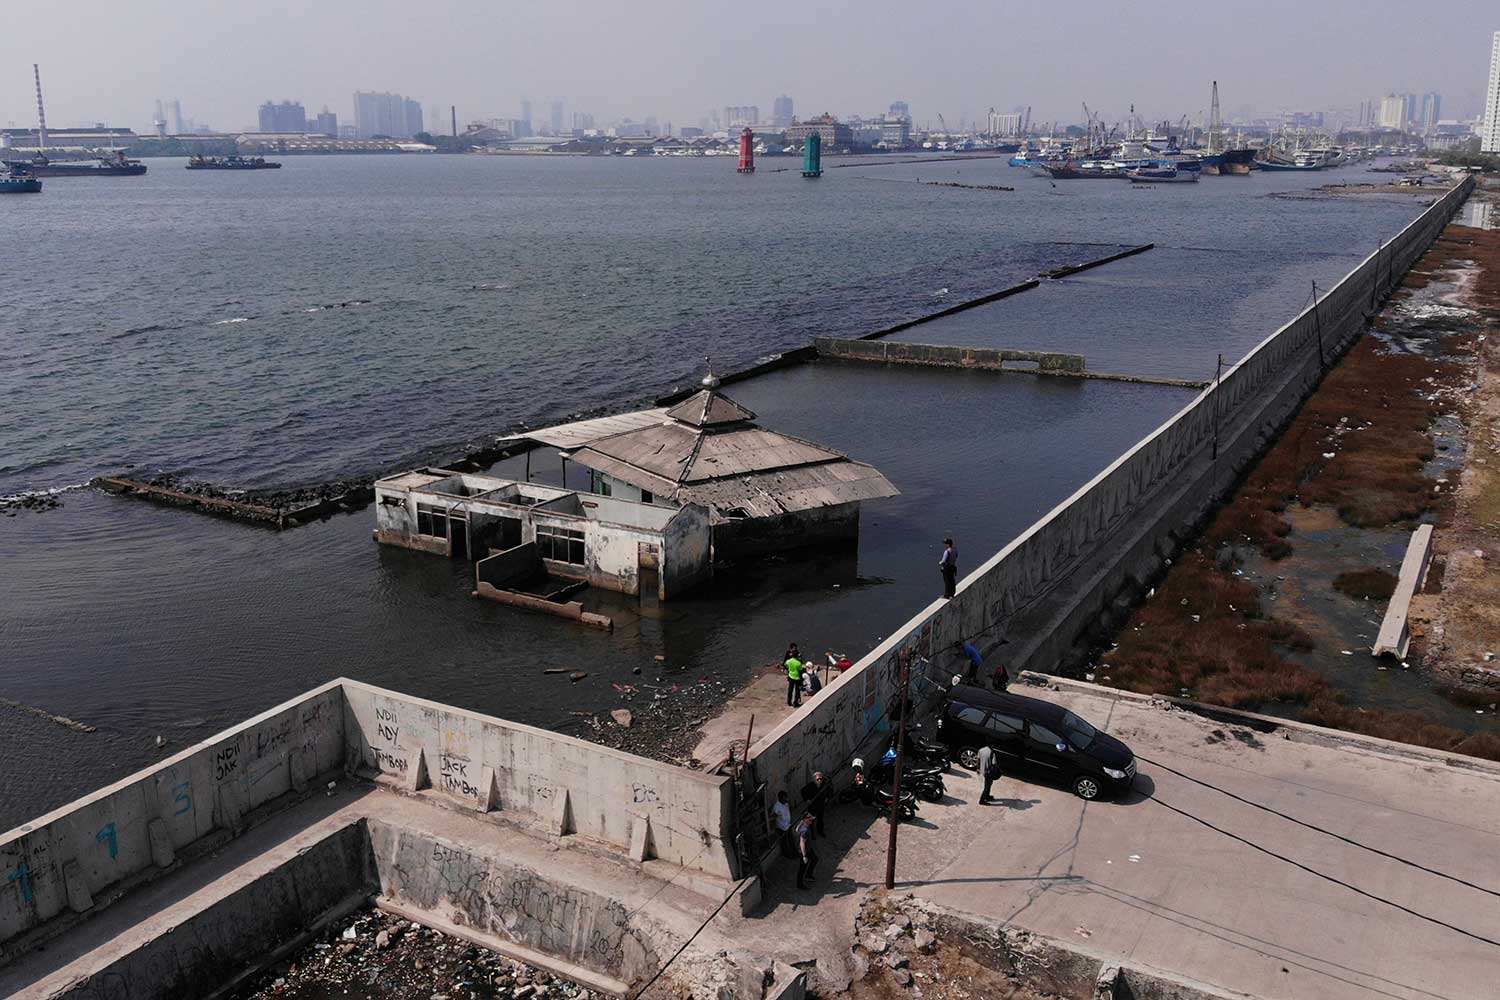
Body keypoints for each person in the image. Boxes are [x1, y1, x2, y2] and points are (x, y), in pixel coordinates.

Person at [800, 771, 828, 837]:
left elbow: (828, 789)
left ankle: (820, 831)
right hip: (813, 806)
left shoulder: (824, 784)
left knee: (820, 820)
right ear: (814, 779)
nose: (819, 780)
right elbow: (802, 791)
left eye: (820, 779)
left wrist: (827, 797)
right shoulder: (810, 786)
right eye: (817, 779)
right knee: (811, 821)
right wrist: (806, 800)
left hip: (821, 805)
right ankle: (812, 833)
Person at [795, 812, 818, 889]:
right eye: (809, 819)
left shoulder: (803, 825)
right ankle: (799, 885)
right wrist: (804, 856)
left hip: (808, 849)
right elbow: (802, 843)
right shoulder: (804, 830)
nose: (811, 820)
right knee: (802, 868)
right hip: (804, 851)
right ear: (805, 820)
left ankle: (808, 875)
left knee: (815, 859)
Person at [771, 790, 794, 858]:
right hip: (781, 828)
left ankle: (794, 853)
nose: (786, 799)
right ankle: (787, 855)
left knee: (791, 840)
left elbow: (789, 811)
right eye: (785, 798)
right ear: (780, 798)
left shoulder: (786, 803)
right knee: (784, 842)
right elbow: (772, 817)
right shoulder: (776, 807)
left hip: (788, 825)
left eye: (786, 797)